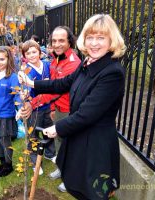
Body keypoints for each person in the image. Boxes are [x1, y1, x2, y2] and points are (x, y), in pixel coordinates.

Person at [18, 14, 126, 200]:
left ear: (112, 40)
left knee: (93, 192)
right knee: (76, 185)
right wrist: (32, 83)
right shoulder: (88, 63)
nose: (94, 43)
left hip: (96, 144)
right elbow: (63, 83)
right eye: (90, 37)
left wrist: (57, 128)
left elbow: (87, 114)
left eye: (100, 38)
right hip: (80, 135)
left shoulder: (112, 73)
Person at [21, 26, 82, 192]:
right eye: (54, 41)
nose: (57, 44)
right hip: (59, 108)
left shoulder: (72, 63)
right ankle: (62, 169)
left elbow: (56, 88)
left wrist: (32, 103)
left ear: (70, 41)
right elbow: (51, 86)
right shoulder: (56, 58)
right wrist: (52, 108)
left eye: (61, 40)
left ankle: (70, 179)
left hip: (70, 109)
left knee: (70, 144)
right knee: (59, 141)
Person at [20, 40, 56, 175]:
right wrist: (24, 94)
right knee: (33, 134)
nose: (31, 55)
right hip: (34, 108)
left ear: (40, 53)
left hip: (48, 105)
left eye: (34, 52)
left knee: (49, 130)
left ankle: (50, 153)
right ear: (24, 55)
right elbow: (26, 90)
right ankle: (35, 161)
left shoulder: (47, 65)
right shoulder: (25, 71)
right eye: (28, 53)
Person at [0, 46, 20, 178]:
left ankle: (8, 165)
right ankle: (2, 162)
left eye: (2, 59)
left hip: (6, 115)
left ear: (9, 59)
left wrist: (19, 108)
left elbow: (17, 95)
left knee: (5, 141)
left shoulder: (12, 77)